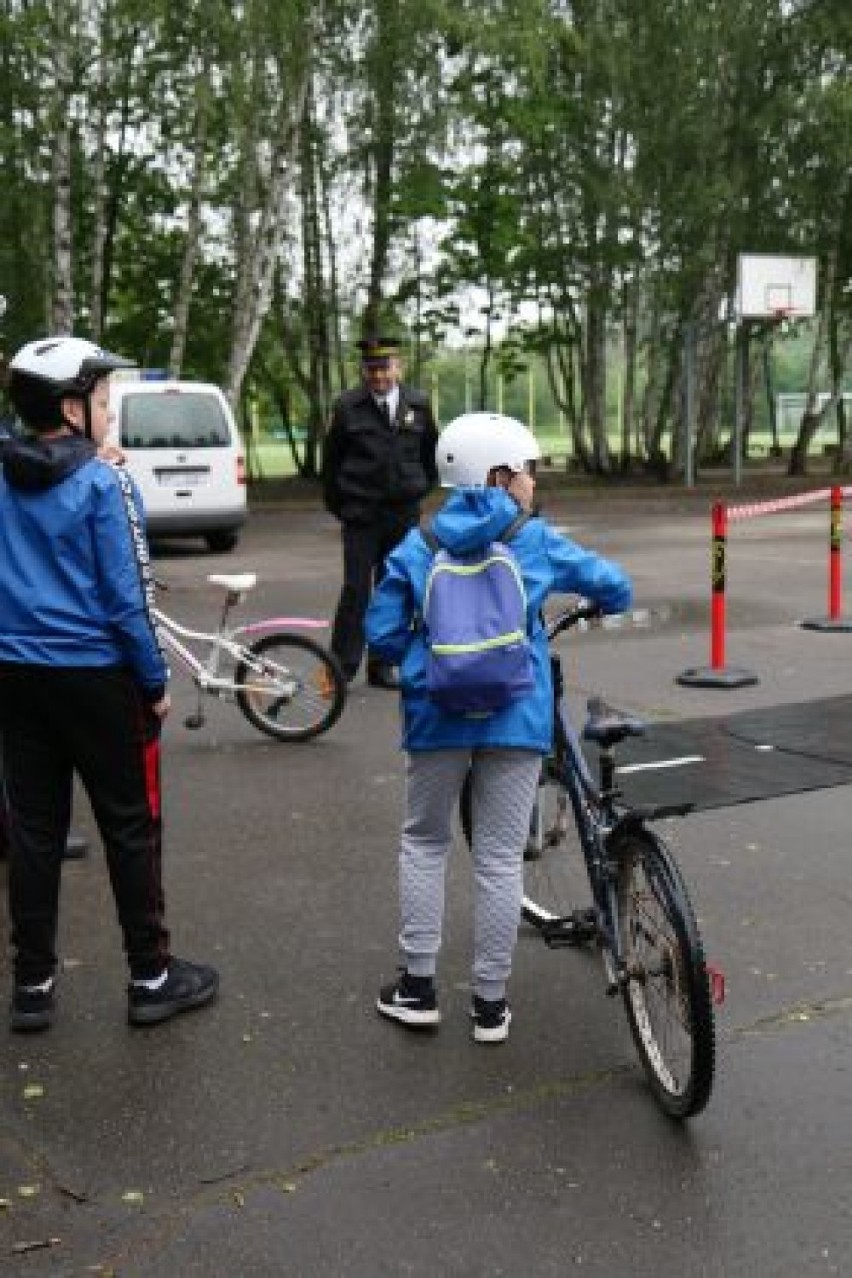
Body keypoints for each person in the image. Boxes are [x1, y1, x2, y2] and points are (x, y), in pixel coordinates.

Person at [365, 411, 632, 1043]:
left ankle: (419, 988)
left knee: (425, 845)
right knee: (499, 856)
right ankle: (489, 1006)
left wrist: (428, 664)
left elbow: (379, 634)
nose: (534, 483)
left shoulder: (417, 544)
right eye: (529, 472)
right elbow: (615, 586)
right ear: (501, 475)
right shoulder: (534, 540)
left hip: (436, 719)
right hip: (518, 716)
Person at [0, 335, 219, 1032]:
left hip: (16, 675)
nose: (111, 415)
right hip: (96, 677)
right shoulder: (105, 481)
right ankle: (151, 977)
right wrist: (154, 679)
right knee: (129, 826)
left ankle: (32, 987)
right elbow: (129, 598)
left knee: (33, 833)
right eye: (101, 401)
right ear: (70, 409)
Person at [323, 334, 439, 689]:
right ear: (363, 371)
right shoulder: (347, 407)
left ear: (398, 367)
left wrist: (418, 489)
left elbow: (431, 454)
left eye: (384, 368)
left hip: (402, 515)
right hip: (361, 516)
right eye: (371, 369)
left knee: (393, 589)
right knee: (356, 591)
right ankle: (341, 668)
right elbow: (331, 465)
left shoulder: (418, 404)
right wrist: (343, 507)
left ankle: (383, 665)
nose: (377, 376)